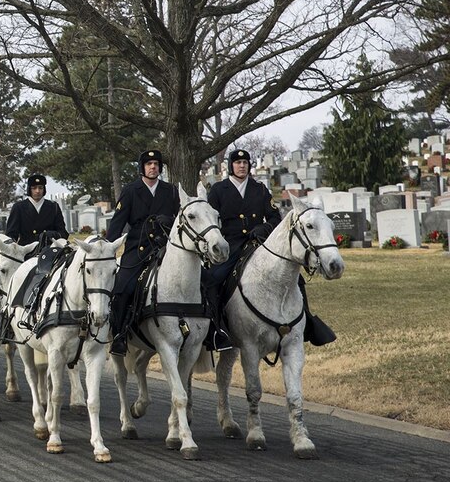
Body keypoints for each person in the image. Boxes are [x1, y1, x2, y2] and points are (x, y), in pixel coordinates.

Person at [206, 149, 336, 349]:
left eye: (245, 162)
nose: (242, 166)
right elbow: (211, 219)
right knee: (215, 277)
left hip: (259, 242)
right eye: (238, 162)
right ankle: (217, 329)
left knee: (298, 279)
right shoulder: (217, 190)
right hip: (231, 244)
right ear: (230, 166)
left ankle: (308, 323)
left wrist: (263, 228)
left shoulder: (259, 189)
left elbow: (275, 217)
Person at [105, 150, 180, 357]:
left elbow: (180, 221)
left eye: (156, 163)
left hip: (166, 247)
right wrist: (107, 249)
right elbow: (118, 223)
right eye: (149, 164)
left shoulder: (171, 191)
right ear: (142, 168)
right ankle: (120, 335)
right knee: (122, 288)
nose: (153, 167)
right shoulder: (131, 191)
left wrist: (169, 224)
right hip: (137, 248)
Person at [5, 174, 69, 247]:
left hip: (48, 249)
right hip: (26, 250)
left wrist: (53, 234)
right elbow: (11, 234)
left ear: (44, 189)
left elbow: (63, 233)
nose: (37, 191)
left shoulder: (53, 207)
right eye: (34, 188)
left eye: (40, 188)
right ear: (29, 189)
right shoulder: (19, 207)